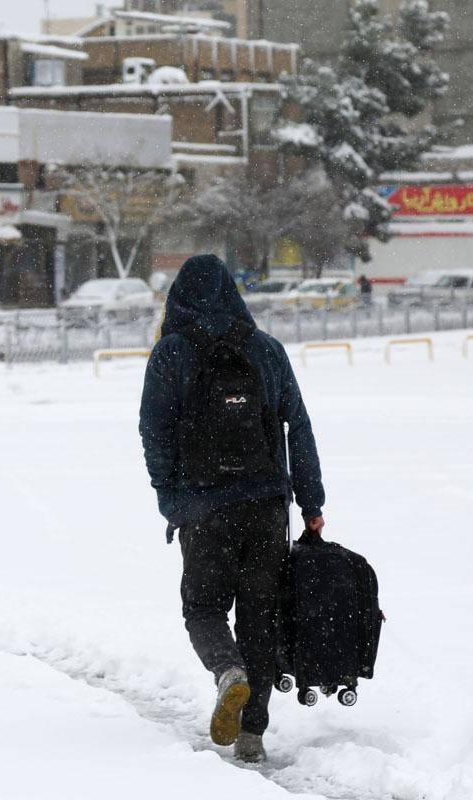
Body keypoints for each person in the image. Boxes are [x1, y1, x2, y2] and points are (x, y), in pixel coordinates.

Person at [139, 254, 325, 763]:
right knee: (260, 616)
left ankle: (228, 672)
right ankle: (253, 733)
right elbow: (299, 426)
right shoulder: (266, 350)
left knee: (203, 608)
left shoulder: (170, 354)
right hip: (266, 505)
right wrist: (312, 501)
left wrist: (170, 500)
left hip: (203, 509)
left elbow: (154, 431)